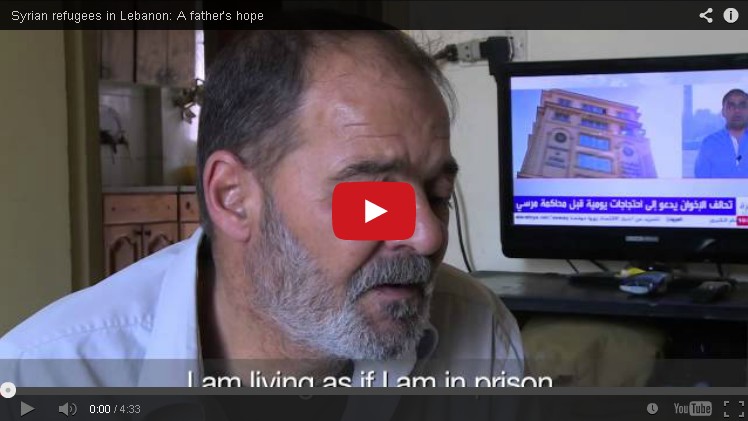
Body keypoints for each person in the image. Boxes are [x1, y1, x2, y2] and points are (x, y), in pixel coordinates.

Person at [0, 27, 523, 387]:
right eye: (373, 196)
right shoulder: (46, 375)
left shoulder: (480, 333)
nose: (430, 236)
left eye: (438, 195)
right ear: (233, 198)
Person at [694, 88, 748, 178]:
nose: (737, 110)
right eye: (731, 106)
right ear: (723, 112)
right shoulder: (709, 143)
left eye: (742, 106)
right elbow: (701, 181)